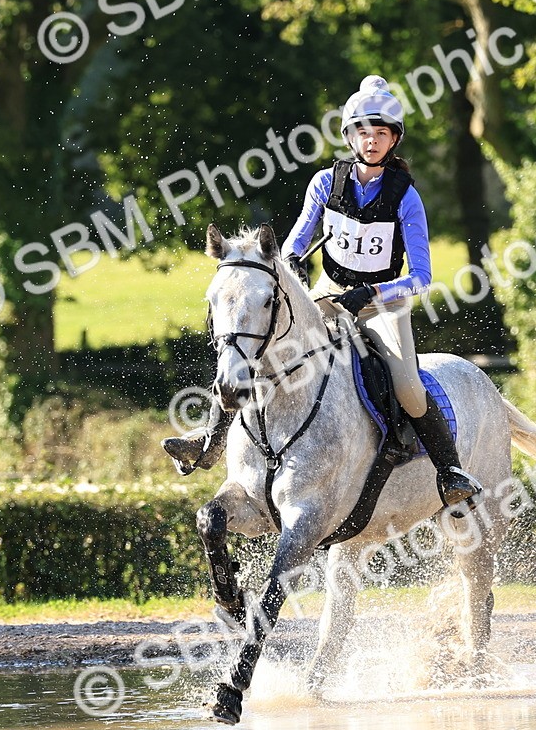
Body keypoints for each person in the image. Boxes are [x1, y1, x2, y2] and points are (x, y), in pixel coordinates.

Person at [162, 75, 482, 511]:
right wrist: (286, 264)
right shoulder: (324, 183)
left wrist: (372, 291)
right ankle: (209, 442)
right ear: (351, 136)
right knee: (258, 345)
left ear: (393, 140)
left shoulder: (405, 196)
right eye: (363, 132)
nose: (371, 141)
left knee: (407, 388)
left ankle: (449, 472)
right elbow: (295, 241)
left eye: (381, 133)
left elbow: (421, 277)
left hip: (382, 304)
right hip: (327, 294)